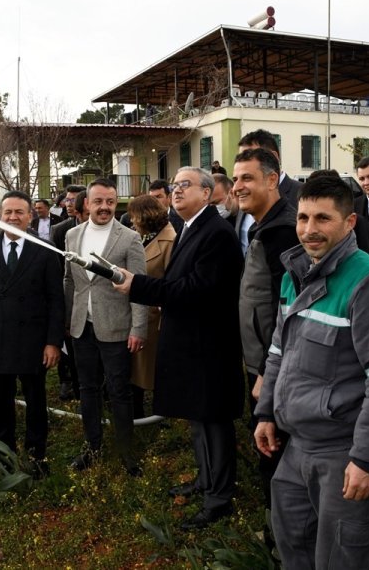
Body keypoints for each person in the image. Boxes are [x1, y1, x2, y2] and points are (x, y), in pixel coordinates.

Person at [254, 174, 369, 568]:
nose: (310, 230)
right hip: (296, 446)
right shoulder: (297, 272)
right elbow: (279, 348)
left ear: (349, 223)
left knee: (341, 558)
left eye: (323, 219)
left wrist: (368, 459)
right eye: (304, 217)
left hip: (342, 452)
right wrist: (266, 412)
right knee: (293, 544)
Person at [113, 167, 244, 530]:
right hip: (192, 343)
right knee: (198, 418)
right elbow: (180, 282)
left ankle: (219, 498)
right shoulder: (192, 227)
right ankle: (206, 480)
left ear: (207, 192)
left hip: (210, 345)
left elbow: (197, 290)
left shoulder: (216, 233)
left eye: (186, 185)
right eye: (174, 185)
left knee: (213, 421)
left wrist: (140, 286)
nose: (176, 190)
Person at [0, 191, 64, 476]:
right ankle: (3, 456)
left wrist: (53, 342)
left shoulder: (45, 250)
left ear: (30, 215)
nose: (13, 217)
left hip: (33, 341)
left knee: (36, 402)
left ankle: (36, 456)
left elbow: (56, 300)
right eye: (8, 212)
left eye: (20, 212)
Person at [232, 147, 299, 531]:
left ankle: (286, 537)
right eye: (237, 178)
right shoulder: (262, 225)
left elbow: (285, 310)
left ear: (272, 180)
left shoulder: (281, 232)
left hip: (274, 369)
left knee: (275, 449)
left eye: (248, 178)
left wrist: (266, 375)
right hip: (262, 362)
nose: (238, 186)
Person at [64, 178, 147, 476]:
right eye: (98, 201)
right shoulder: (72, 235)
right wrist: (68, 318)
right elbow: (70, 280)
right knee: (87, 389)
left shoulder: (129, 238)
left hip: (116, 327)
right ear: (87, 203)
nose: (104, 207)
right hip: (81, 329)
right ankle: (92, 447)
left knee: (119, 391)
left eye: (110, 202)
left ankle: (127, 455)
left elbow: (139, 287)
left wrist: (138, 328)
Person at [126, 194, 177, 419]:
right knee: (134, 369)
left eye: (134, 216)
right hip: (135, 313)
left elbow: (170, 283)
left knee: (153, 369)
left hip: (155, 318)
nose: (131, 221)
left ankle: (161, 413)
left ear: (145, 215)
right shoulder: (139, 237)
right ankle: (135, 410)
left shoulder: (170, 240)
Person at [234, 129, 303, 255]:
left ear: (274, 157)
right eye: (241, 156)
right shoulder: (244, 195)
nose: (243, 161)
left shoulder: (303, 195)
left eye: (249, 155)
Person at [51, 184, 86, 401]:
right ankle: (68, 380)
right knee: (68, 343)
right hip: (68, 293)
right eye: (67, 200)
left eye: (74, 200)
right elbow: (59, 270)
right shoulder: (61, 230)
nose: (69, 204)